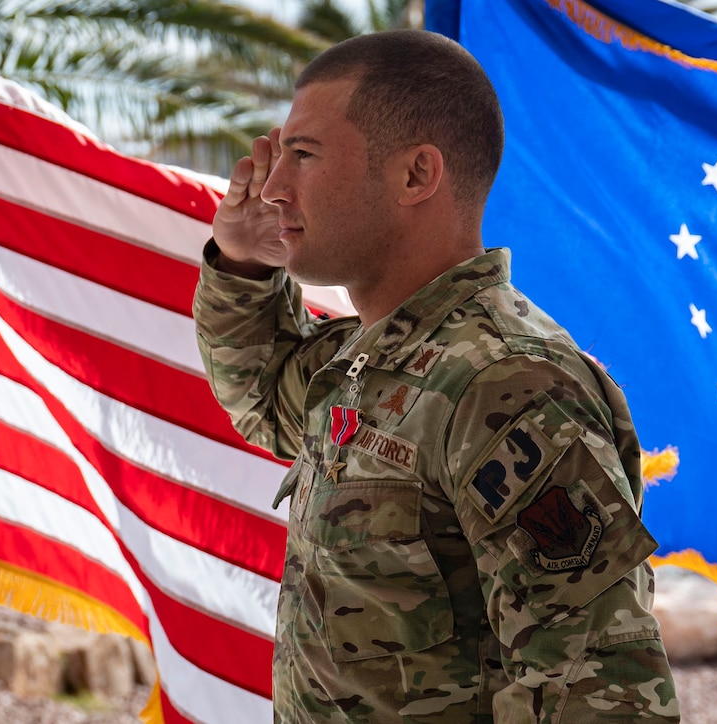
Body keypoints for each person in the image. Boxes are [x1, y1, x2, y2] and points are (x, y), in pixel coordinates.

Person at [193, 28, 680, 723]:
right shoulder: (373, 361)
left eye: (303, 155)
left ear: (417, 175)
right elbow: (264, 395)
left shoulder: (506, 385)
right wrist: (242, 261)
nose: (272, 186)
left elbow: (598, 683)